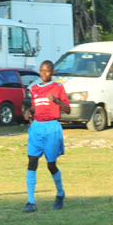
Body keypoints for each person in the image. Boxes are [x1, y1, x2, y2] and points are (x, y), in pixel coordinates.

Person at [22, 60, 70, 212]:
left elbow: (67, 110)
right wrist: (29, 112)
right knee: (32, 161)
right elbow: (36, 106)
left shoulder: (58, 87)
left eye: (47, 71)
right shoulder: (35, 88)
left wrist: (56, 100)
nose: (44, 74)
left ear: (53, 72)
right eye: (42, 71)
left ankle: (60, 193)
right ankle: (31, 201)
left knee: (51, 164)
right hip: (36, 128)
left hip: (51, 128)